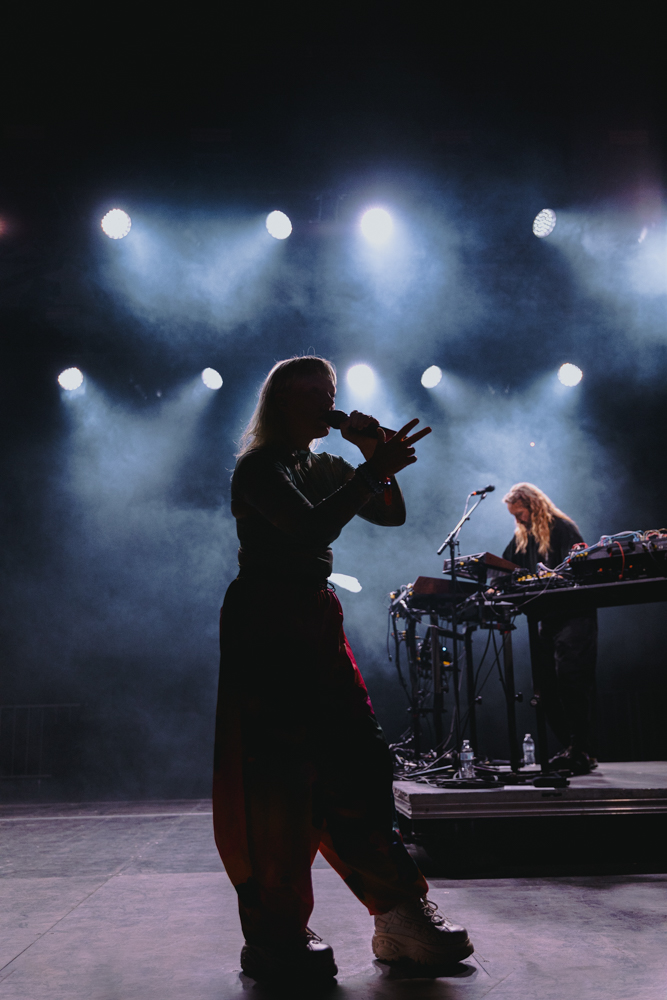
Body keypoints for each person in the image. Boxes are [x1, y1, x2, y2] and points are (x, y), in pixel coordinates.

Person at [212, 356, 474, 984]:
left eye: (327, 392)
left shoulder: (323, 462)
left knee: (359, 759)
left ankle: (400, 916)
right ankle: (275, 933)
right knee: (277, 778)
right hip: (267, 619)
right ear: (280, 401)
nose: (323, 403)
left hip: (314, 615)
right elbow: (307, 527)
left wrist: (373, 456)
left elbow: (389, 513)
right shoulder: (258, 467)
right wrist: (371, 471)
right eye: (308, 393)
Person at [502, 482, 597, 775]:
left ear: (534, 506)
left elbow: (580, 566)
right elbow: (504, 566)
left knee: (570, 680)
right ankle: (571, 747)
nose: (518, 521)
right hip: (547, 619)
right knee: (544, 689)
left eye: (520, 514)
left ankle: (580, 748)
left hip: (574, 615)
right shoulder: (523, 537)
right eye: (514, 516)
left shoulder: (562, 528)